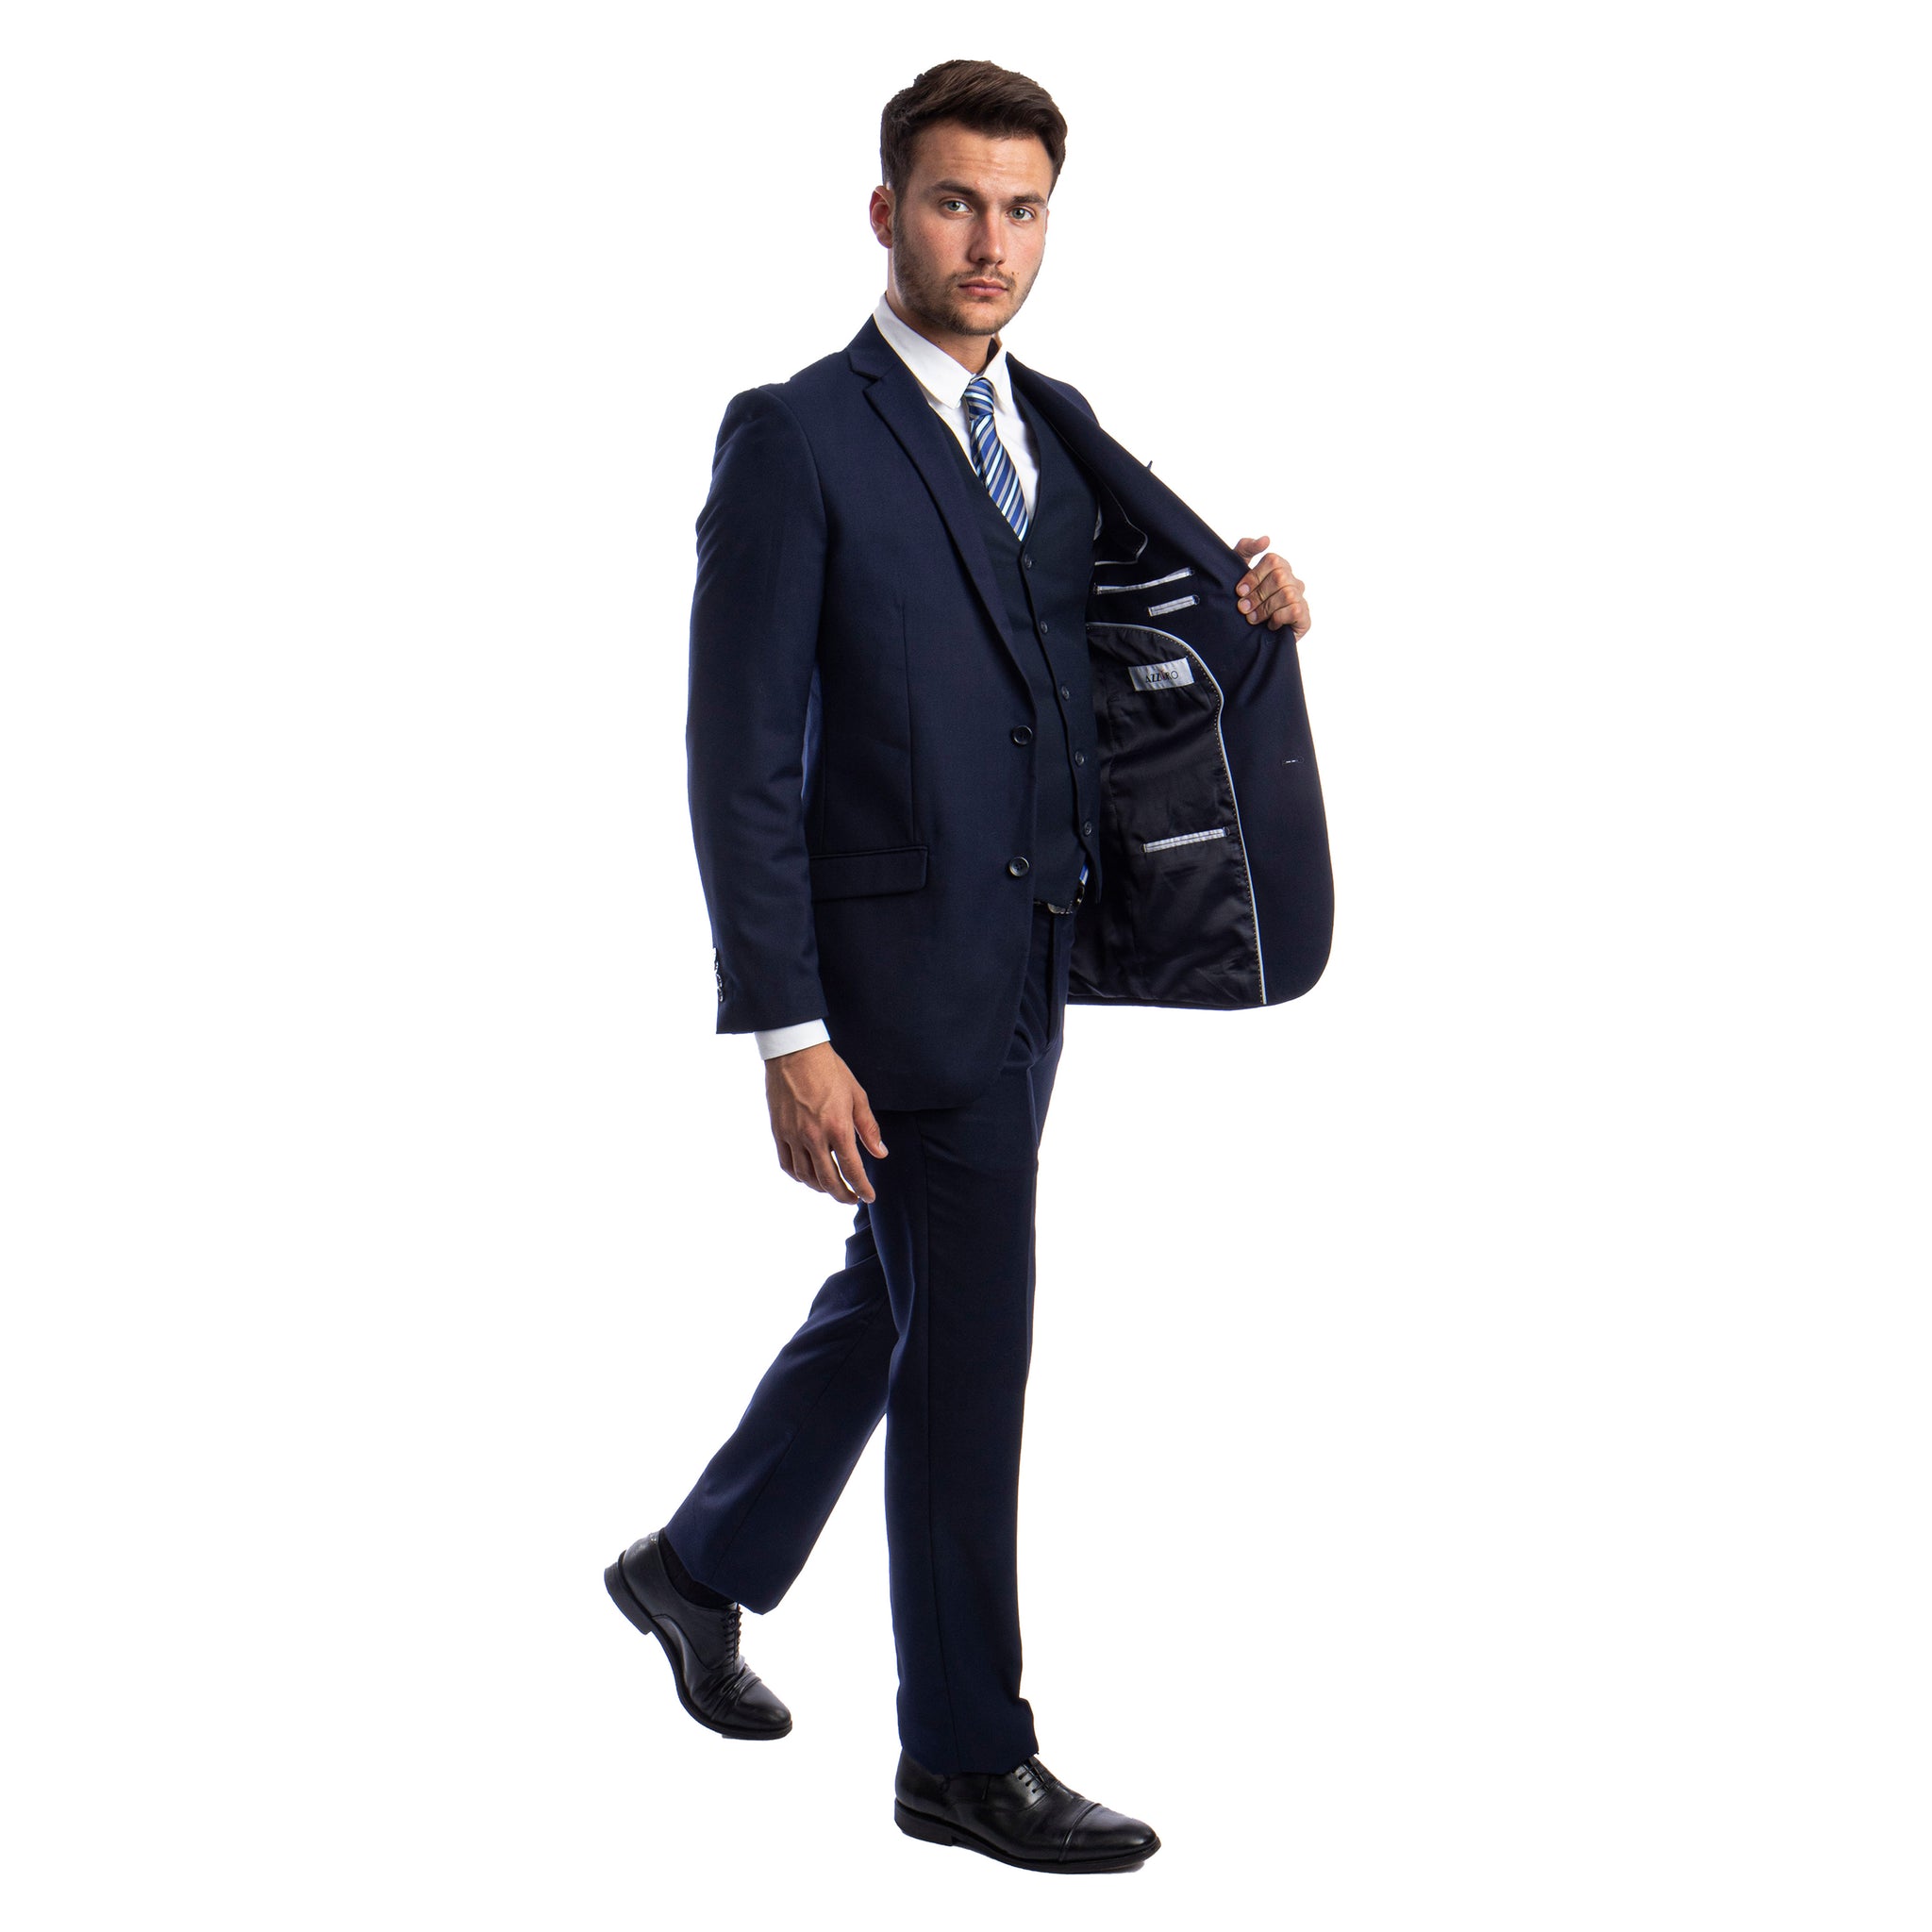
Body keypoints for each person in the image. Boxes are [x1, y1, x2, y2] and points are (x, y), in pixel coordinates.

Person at [605, 58, 1329, 1874]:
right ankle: (962, 1755)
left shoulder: (1051, 421)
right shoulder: (796, 437)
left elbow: (1138, 598)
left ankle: (695, 1566)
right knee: (969, 1354)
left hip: (1033, 962)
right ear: (886, 214)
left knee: (901, 1296)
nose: (988, 242)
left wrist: (1256, 593)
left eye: (1020, 210)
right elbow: (734, 752)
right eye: (953, 203)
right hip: (885, 990)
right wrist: (787, 1028)